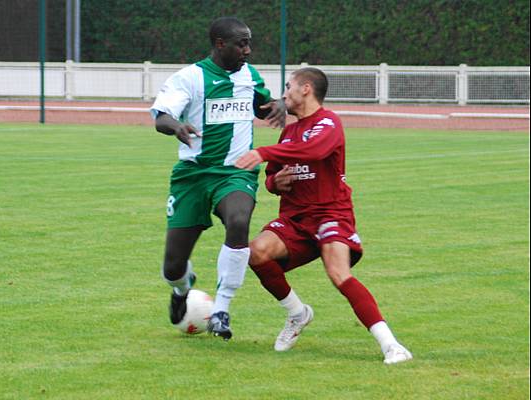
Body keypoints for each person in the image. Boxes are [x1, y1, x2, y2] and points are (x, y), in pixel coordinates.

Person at [235, 67, 412, 364]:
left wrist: (263, 152)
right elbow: (272, 177)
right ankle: (297, 313)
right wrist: (274, 183)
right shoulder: (289, 130)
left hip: (331, 212)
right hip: (294, 218)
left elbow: (313, 151)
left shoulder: (328, 123)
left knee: (338, 273)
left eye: (288, 86)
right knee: (255, 253)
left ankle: (392, 345)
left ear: (306, 88)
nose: (284, 93)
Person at [150, 16, 286, 341]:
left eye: (249, 42)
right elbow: (162, 117)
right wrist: (177, 127)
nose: (248, 50)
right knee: (172, 266)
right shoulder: (191, 77)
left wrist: (280, 105)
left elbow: (263, 107)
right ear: (220, 44)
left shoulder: (249, 76)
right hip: (193, 176)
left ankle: (222, 309)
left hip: (235, 172)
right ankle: (182, 288)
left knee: (239, 220)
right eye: (242, 44)